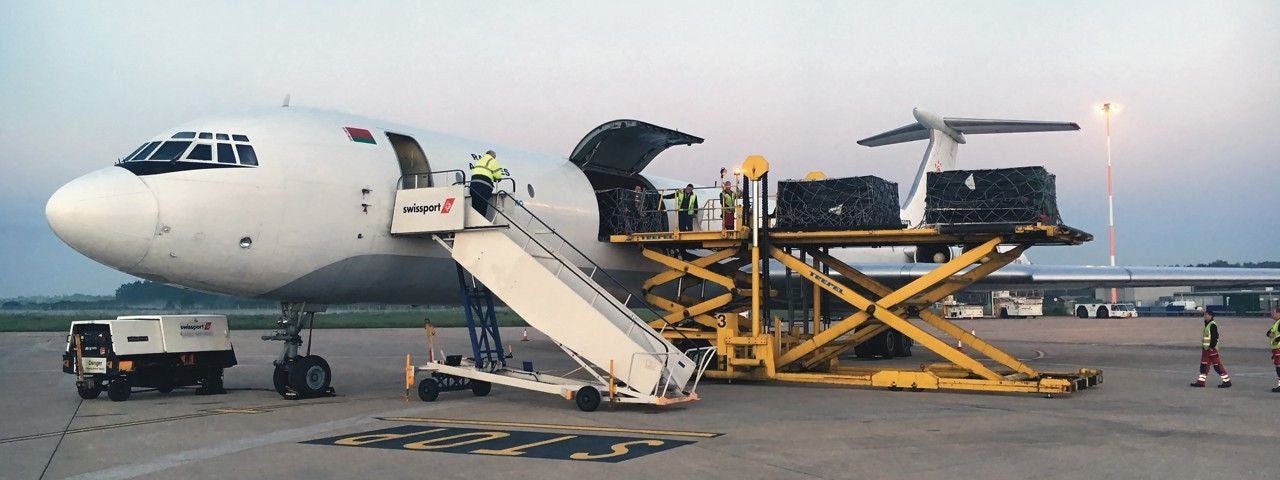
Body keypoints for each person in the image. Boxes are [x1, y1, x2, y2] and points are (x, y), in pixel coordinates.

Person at [1191, 310, 1232, 388]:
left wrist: (1211, 347)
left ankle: (1227, 381)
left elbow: (1215, 337)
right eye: (1204, 315)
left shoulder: (1212, 325)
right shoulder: (1207, 324)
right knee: (1204, 366)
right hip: (1205, 350)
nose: (1205, 316)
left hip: (1211, 349)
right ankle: (1200, 382)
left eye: (1206, 315)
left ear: (1211, 316)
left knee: (1217, 366)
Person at [469, 150, 501, 216]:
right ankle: (480, 224)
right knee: (482, 206)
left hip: (473, 185)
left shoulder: (479, 160)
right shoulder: (493, 161)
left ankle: (474, 222)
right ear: (493, 156)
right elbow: (498, 176)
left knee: (475, 206)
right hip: (484, 186)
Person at [1267, 306, 1280, 392]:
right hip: (1276, 349)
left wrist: (1275, 339)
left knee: (1279, 367)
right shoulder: (1276, 323)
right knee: (1278, 367)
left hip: (1278, 348)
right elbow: (1268, 333)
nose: (1271, 314)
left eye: (1273, 312)